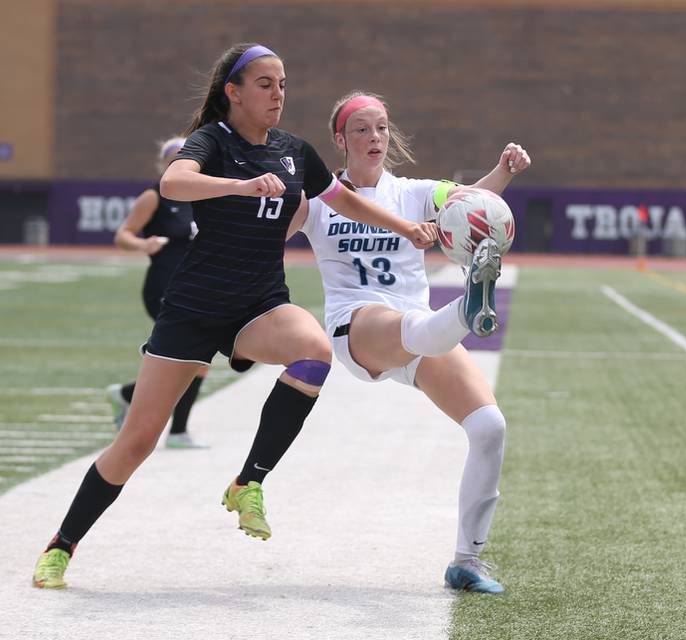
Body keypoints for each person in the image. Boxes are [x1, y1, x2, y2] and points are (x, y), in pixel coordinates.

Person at [32, 44, 438, 589]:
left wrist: (403, 225)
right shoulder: (212, 142)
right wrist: (240, 186)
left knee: (315, 350)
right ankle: (62, 544)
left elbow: (341, 199)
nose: (278, 95)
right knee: (138, 441)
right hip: (194, 310)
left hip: (259, 304)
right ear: (235, 92)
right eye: (266, 84)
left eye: (283, 84)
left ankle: (249, 481)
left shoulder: (294, 151)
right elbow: (175, 183)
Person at [288, 91, 531, 593]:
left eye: (381, 128)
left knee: (489, 427)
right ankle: (469, 305)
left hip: (421, 331)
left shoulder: (414, 192)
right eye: (362, 129)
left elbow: (471, 203)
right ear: (341, 139)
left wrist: (503, 170)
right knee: (404, 324)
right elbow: (266, 236)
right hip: (358, 325)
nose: (374, 137)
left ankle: (467, 561)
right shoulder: (318, 199)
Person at [107, 137, 208, 449]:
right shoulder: (154, 196)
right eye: (173, 158)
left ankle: (127, 395)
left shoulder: (204, 196)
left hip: (198, 287)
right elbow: (123, 235)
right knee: (197, 358)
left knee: (192, 361)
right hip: (165, 286)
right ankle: (178, 432)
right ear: (164, 164)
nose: (179, 163)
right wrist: (143, 244)